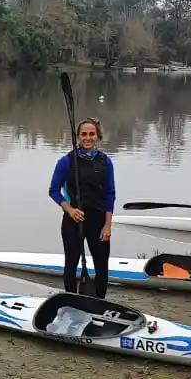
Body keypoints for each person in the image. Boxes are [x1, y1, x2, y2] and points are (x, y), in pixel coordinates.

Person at [48, 118, 115, 298]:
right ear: (78, 137)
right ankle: (71, 300)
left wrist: (107, 225)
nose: (87, 138)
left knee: (102, 267)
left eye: (91, 134)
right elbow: (54, 191)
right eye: (83, 134)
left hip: (98, 222)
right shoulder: (66, 162)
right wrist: (70, 209)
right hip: (73, 221)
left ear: (98, 137)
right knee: (71, 264)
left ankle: (100, 302)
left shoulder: (105, 162)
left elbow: (110, 194)